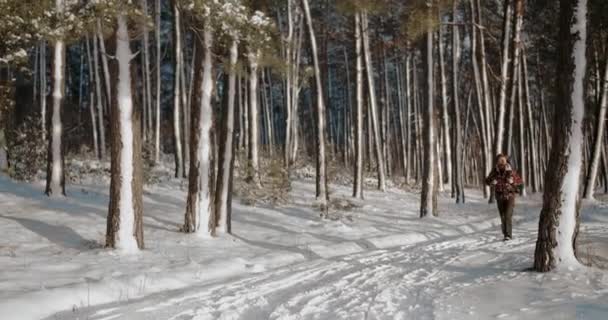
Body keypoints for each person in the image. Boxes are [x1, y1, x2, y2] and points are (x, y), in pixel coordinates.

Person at [485, 154, 523, 241]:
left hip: (510, 196)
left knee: (508, 215)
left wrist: (513, 182)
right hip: (499, 196)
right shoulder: (495, 171)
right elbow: (487, 181)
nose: (502, 162)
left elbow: (520, 182)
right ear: (497, 162)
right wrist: (492, 182)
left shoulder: (511, 171)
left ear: (506, 161)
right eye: (500, 160)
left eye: (503, 160)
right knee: (503, 216)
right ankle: (505, 232)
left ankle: (508, 235)